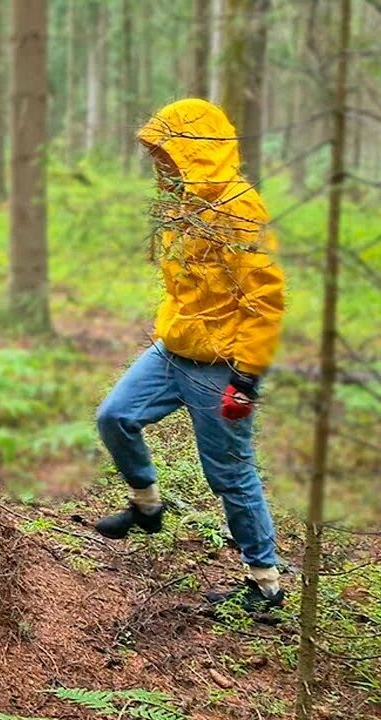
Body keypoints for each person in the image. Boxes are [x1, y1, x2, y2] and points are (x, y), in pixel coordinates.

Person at [94, 98, 286, 612]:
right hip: (173, 350)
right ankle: (146, 505)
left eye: (168, 154)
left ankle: (264, 581)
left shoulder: (238, 208)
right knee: (115, 416)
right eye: (157, 156)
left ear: (196, 152)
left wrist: (246, 377)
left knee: (228, 473)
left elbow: (265, 298)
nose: (160, 165)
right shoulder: (183, 207)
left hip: (220, 366)